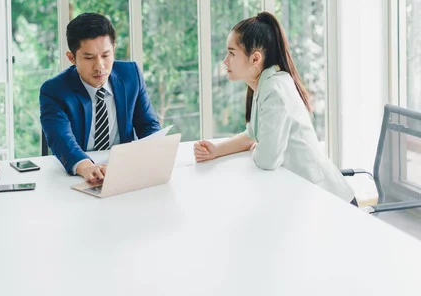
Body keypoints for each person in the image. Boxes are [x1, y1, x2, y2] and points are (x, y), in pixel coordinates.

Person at [194, 12, 354, 203]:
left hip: (330, 200)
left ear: (255, 59)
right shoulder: (265, 84)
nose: (225, 61)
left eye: (231, 53)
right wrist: (216, 150)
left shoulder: (274, 89)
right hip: (307, 193)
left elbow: (267, 160)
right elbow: (251, 134)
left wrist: (258, 149)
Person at [40, 13, 161, 182]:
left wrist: (156, 152)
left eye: (106, 55)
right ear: (71, 58)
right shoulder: (55, 90)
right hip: (79, 176)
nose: (100, 67)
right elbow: (60, 138)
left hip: (124, 172)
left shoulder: (130, 75)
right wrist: (86, 166)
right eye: (89, 58)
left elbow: (148, 125)